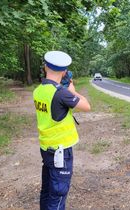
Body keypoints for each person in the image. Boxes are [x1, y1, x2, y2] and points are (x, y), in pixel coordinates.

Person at [33, 51, 90, 210]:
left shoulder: (38, 91)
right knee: (58, 194)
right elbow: (86, 106)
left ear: (45, 67)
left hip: (46, 148)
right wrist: (72, 90)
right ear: (64, 71)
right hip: (61, 152)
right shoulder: (62, 93)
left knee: (47, 191)